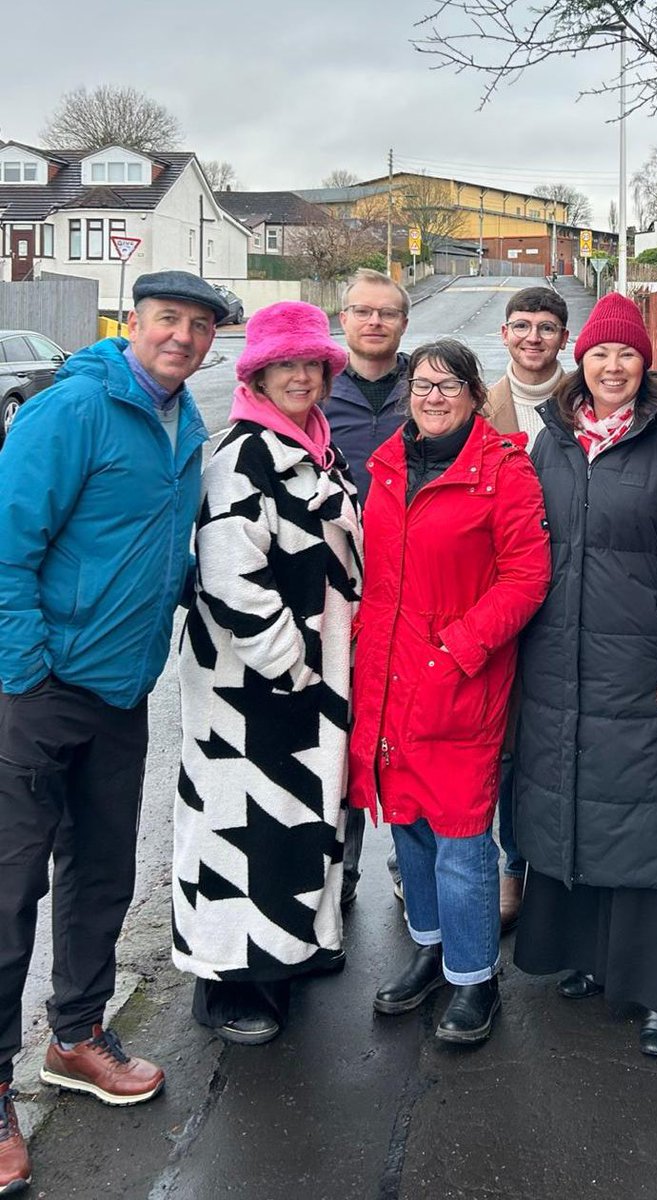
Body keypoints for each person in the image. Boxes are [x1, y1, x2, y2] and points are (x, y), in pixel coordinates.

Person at [0, 270, 228, 1193]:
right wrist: (26, 669)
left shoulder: (187, 425)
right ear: (132, 323)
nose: (181, 337)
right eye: (167, 320)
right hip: (42, 691)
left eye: (199, 326)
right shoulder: (72, 412)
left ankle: (78, 1036)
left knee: (101, 868)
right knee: (9, 886)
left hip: (121, 692)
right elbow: (9, 546)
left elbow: (165, 551)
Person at [513, 293, 657, 1059]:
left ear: (645, 365)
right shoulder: (553, 445)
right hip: (557, 661)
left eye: (626, 354)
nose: (611, 366)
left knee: (650, 822)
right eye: (600, 352)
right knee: (575, 803)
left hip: (641, 665)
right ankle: (593, 960)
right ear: (581, 360)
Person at [348, 339, 550, 1046]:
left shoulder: (503, 471)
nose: (433, 398)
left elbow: (527, 577)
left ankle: (475, 979)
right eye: (423, 386)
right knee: (408, 825)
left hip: (460, 679)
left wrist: (459, 649)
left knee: (463, 840)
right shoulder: (388, 467)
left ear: (472, 394)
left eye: (448, 386)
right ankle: (431, 950)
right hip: (389, 677)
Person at [172, 301, 362, 1046]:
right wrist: (290, 663)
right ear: (256, 372)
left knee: (298, 822)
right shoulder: (242, 453)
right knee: (237, 826)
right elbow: (227, 576)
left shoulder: (314, 445)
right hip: (248, 687)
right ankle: (226, 984)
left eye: (313, 363)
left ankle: (290, 948)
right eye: (287, 364)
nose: (302, 376)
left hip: (307, 680)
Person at [484, 286, 571, 932]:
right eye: (522, 326)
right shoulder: (478, 409)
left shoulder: (585, 399)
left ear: (564, 338)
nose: (533, 336)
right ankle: (512, 864)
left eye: (546, 326)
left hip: (574, 594)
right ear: (505, 334)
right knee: (509, 747)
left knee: (565, 741)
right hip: (502, 594)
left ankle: (566, 871)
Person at [325, 268, 412, 911]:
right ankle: (339, 869)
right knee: (340, 733)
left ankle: (413, 869)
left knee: (409, 734)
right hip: (333, 590)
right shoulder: (316, 390)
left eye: (387, 313)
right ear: (343, 318)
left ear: (404, 323)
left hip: (413, 585)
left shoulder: (429, 386)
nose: (374, 322)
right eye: (363, 311)